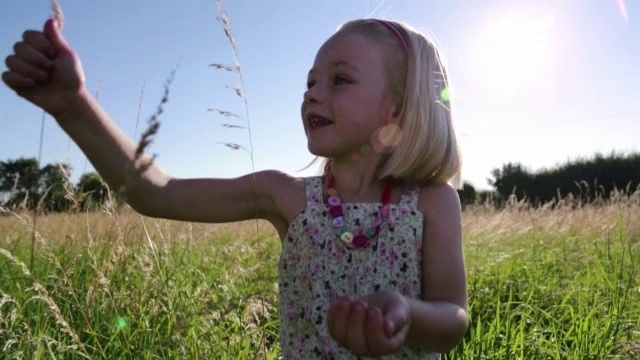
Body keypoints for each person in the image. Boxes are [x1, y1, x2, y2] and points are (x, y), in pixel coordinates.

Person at [3, 17, 468, 359]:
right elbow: (155, 191)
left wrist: (405, 313)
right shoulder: (284, 195)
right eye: (310, 82)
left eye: (339, 80)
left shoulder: (431, 202)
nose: (311, 93)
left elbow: (454, 317)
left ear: (399, 109)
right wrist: (73, 105)